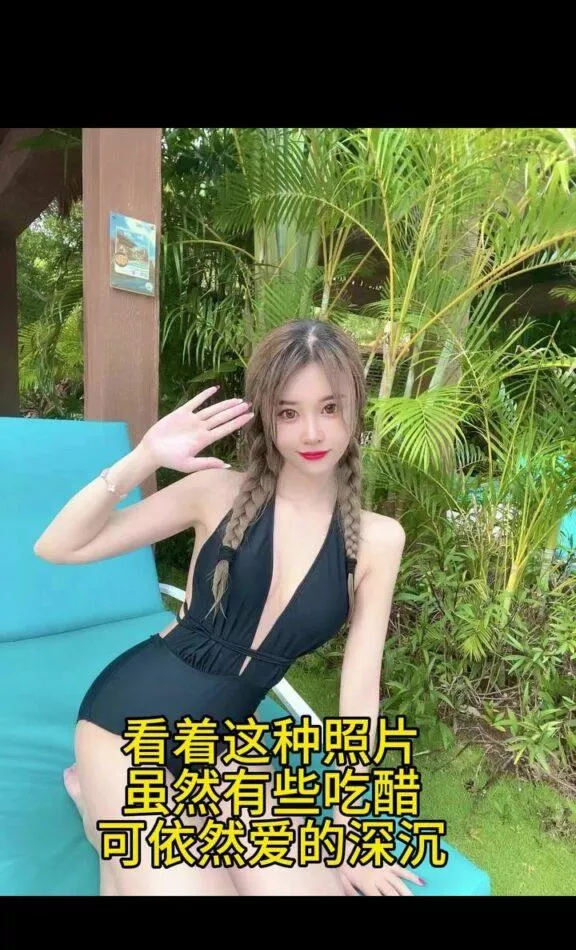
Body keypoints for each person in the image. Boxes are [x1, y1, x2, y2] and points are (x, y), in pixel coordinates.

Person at [34, 319, 419, 897]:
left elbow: (359, 696)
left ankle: (107, 819)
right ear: (267, 417)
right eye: (289, 412)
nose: (312, 431)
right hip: (127, 723)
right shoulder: (216, 493)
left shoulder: (378, 539)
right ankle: (98, 802)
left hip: (223, 745)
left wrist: (348, 829)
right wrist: (143, 458)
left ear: (356, 408)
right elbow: (57, 546)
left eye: (330, 408)